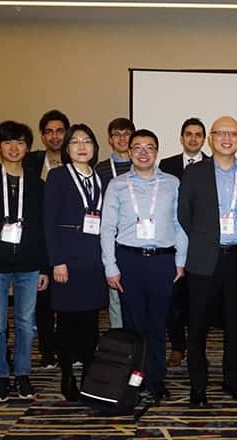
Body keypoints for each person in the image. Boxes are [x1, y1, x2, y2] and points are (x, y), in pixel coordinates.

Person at [178, 116, 237, 407]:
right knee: (198, 327)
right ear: (212, 137)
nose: (227, 138)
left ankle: (232, 381)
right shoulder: (195, 173)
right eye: (221, 133)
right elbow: (184, 215)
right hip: (203, 261)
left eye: (233, 133)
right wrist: (205, 240)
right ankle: (198, 388)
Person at [101, 129, 188, 403]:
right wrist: (110, 266)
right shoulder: (116, 185)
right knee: (134, 327)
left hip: (163, 261)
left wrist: (180, 261)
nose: (143, 152)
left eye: (149, 147)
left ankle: (157, 378)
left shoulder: (173, 183)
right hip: (129, 261)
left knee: (158, 325)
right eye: (137, 147)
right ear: (129, 152)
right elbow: (106, 228)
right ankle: (135, 380)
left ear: (157, 152)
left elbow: (179, 224)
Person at [0, 120, 49, 402]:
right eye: (8, 142)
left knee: (27, 323)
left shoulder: (37, 184)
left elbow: (43, 228)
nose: (14, 148)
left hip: (29, 264)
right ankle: (1, 376)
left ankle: (23, 374)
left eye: (20, 142)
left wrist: (45, 267)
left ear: (27, 147)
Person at [44, 124, 109, 401]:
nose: (82, 146)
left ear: (95, 147)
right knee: (68, 323)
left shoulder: (101, 178)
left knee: (91, 323)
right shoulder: (58, 176)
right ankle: (67, 373)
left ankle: (88, 374)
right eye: (75, 142)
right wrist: (57, 261)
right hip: (67, 263)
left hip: (95, 262)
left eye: (87, 141)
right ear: (67, 148)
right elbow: (48, 222)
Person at [159, 117, 209, 368]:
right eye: (188, 134)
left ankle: (199, 348)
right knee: (174, 302)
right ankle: (178, 347)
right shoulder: (166, 165)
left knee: (200, 303)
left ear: (204, 139)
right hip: (173, 242)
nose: (193, 138)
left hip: (203, 245)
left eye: (198, 134)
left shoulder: (213, 165)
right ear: (181, 137)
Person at [24, 109, 71, 369]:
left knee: (66, 300)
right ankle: (47, 350)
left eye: (60, 131)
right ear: (42, 135)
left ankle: (67, 347)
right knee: (42, 299)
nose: (55, 136)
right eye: (49, 131)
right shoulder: (30, 162)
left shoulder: (76, 160)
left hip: (68, 243)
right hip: (38, 241)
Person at [95, 117, 135, 330]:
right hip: (111, 239)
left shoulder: (143, 164)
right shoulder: (100, 169)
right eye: (116, 135)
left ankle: (140, 344)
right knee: (115, 296)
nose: (122, 138)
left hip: (137, 240)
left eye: (126, 133)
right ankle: (120, 341)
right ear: (110, 140)